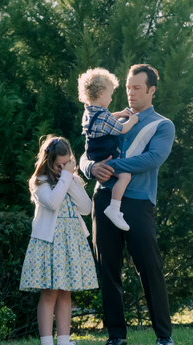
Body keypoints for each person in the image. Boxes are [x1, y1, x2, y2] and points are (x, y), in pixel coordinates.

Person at [79, 64, 176, 345]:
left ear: (151, 90)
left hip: (138, 203)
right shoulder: (107, 117)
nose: (130, 93)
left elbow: (153, 158)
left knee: (150, 268)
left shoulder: (162, 125)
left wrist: (112, 167)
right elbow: (86, 151)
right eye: (128, 87)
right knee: (108, 270)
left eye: (137, 88)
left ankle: (163, 335)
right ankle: (116, 337)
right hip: (103, 199)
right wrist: (90, 168)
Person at [20, 135, 98, 345]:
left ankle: (64, 342)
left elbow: (86, 207)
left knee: (66, 293)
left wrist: (71, 179)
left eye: (67, 164)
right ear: (48, 162)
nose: (62, 169)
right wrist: (66, 177)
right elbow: (53, 202)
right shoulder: (40, 183)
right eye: (58, 166)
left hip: (70, 242)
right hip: (49, 243)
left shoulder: (69, 180)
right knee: (49, 294)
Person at [78, 68, 140, 231]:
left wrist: (119, 113)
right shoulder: (104, 116)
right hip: (106, 155)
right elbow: (122, 129)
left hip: (94, 154)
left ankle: (114, 207)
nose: (112, 98)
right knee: (125, 176)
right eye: (110, 94)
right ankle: (114, 208)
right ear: (100, 94)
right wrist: (132, 120)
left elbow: (103, 120)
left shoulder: (88, 112)